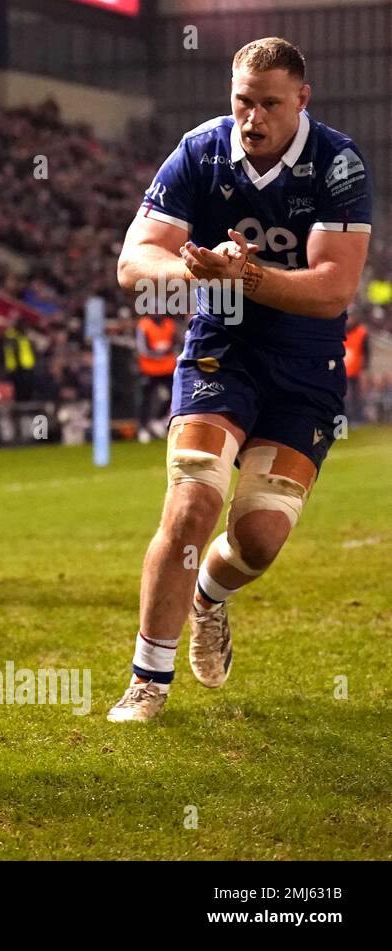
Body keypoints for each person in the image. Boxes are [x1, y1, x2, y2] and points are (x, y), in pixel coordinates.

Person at [108, 37, 371, 722]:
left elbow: (332, 289)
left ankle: (209, 599)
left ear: (302, 101)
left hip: (305, 366)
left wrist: (247, 275)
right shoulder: (201, 150)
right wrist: (194, 273)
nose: (252, 118)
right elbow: (134, 267)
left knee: (257, 539)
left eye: (270, 104)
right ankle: (148, 678)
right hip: (223, 349)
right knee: (193, 495)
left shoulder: (336, 162)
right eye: (242, 101)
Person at [134, 311, 178, 443]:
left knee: (175, 396)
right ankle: (143, 428)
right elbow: (142, 349)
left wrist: (167, 351)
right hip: (149, 369)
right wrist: (158, 353)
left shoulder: (169, 324)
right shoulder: (144, 325)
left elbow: (175, 343)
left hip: (167, 368)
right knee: (145, 400)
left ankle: (159, 419)